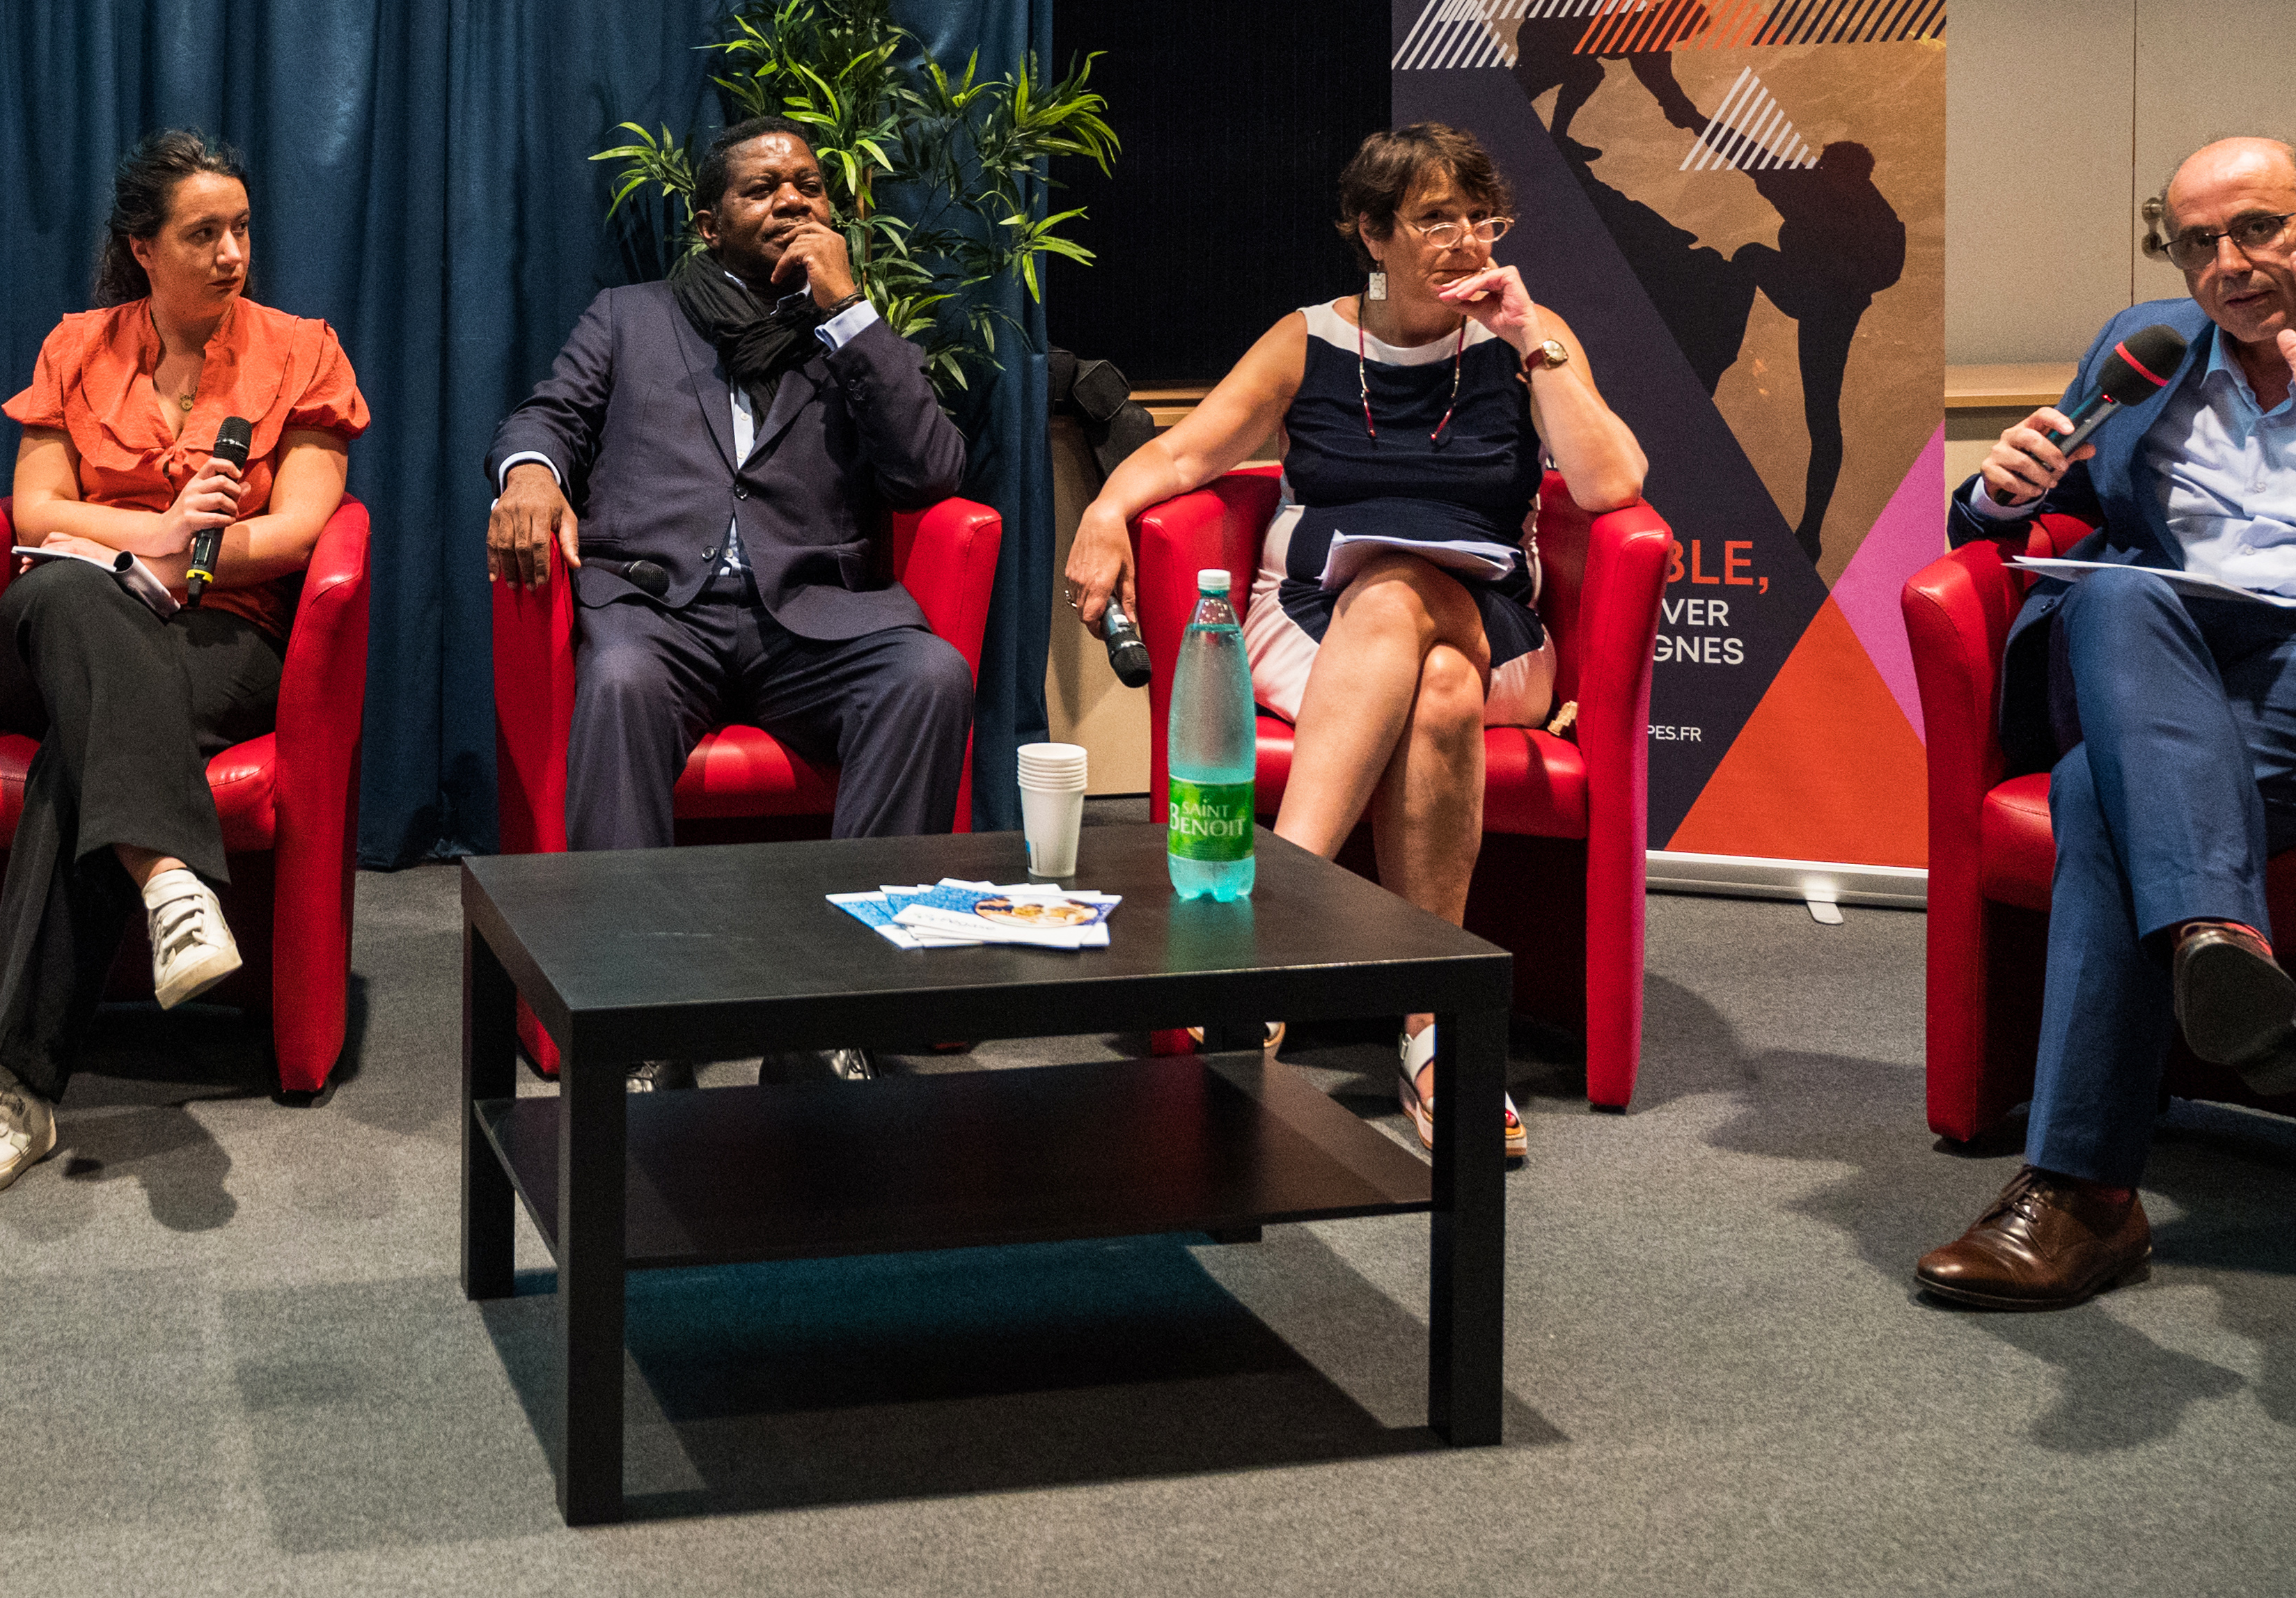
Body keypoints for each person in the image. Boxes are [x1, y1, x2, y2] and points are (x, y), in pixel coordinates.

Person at [1911, 134, 2296, 1309]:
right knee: (2120, 595)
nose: (2229, 264)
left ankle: (2083, 1196)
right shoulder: (2139, 350)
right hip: (2159, 659)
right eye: (2199, 242)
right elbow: (2032, 509)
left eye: (2259, 228)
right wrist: (2000, 492)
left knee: (2103, 791)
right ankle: (2218, 943)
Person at [1062, 123, 1646, 1162]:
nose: (1466, 239)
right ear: (1372, 235)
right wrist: (1108, 511)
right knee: (1435, 687)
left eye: (1481, 217)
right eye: (1435, 218)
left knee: (1404, 596)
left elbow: (1609, 488)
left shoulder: (1527, 335)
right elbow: (1192, 449)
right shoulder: (1311, 340)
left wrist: (1530, 339)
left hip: (1496, 620)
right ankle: (1434, 1032)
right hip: (1311, 624)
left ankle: (1267, 923)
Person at [485, 116, 975, 1091]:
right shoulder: (631, 316)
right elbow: (547, 413)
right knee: (618, 682)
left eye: (809, 184)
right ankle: (640, 1016)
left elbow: (931, 470)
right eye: (763, 188)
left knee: (931, 675)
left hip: (813, 618)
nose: (793, 199)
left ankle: (830, 1011)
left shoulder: (848, 335)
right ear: (710, 223)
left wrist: (850, 316)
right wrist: (532, 475)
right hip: (661, 611)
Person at [0, 132, 367, 1202]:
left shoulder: (301, 351)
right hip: (64, 617)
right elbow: (33, 515)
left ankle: (10, 1089)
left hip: (227, 635)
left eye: (242, 230)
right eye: (203, 233)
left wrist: (195, 555)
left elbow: (306, 529)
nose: (232, 253)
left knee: (76, 761)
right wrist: (151, 540)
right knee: (75, 596)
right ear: (142, 248)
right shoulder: (78, 346)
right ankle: (172, 877)